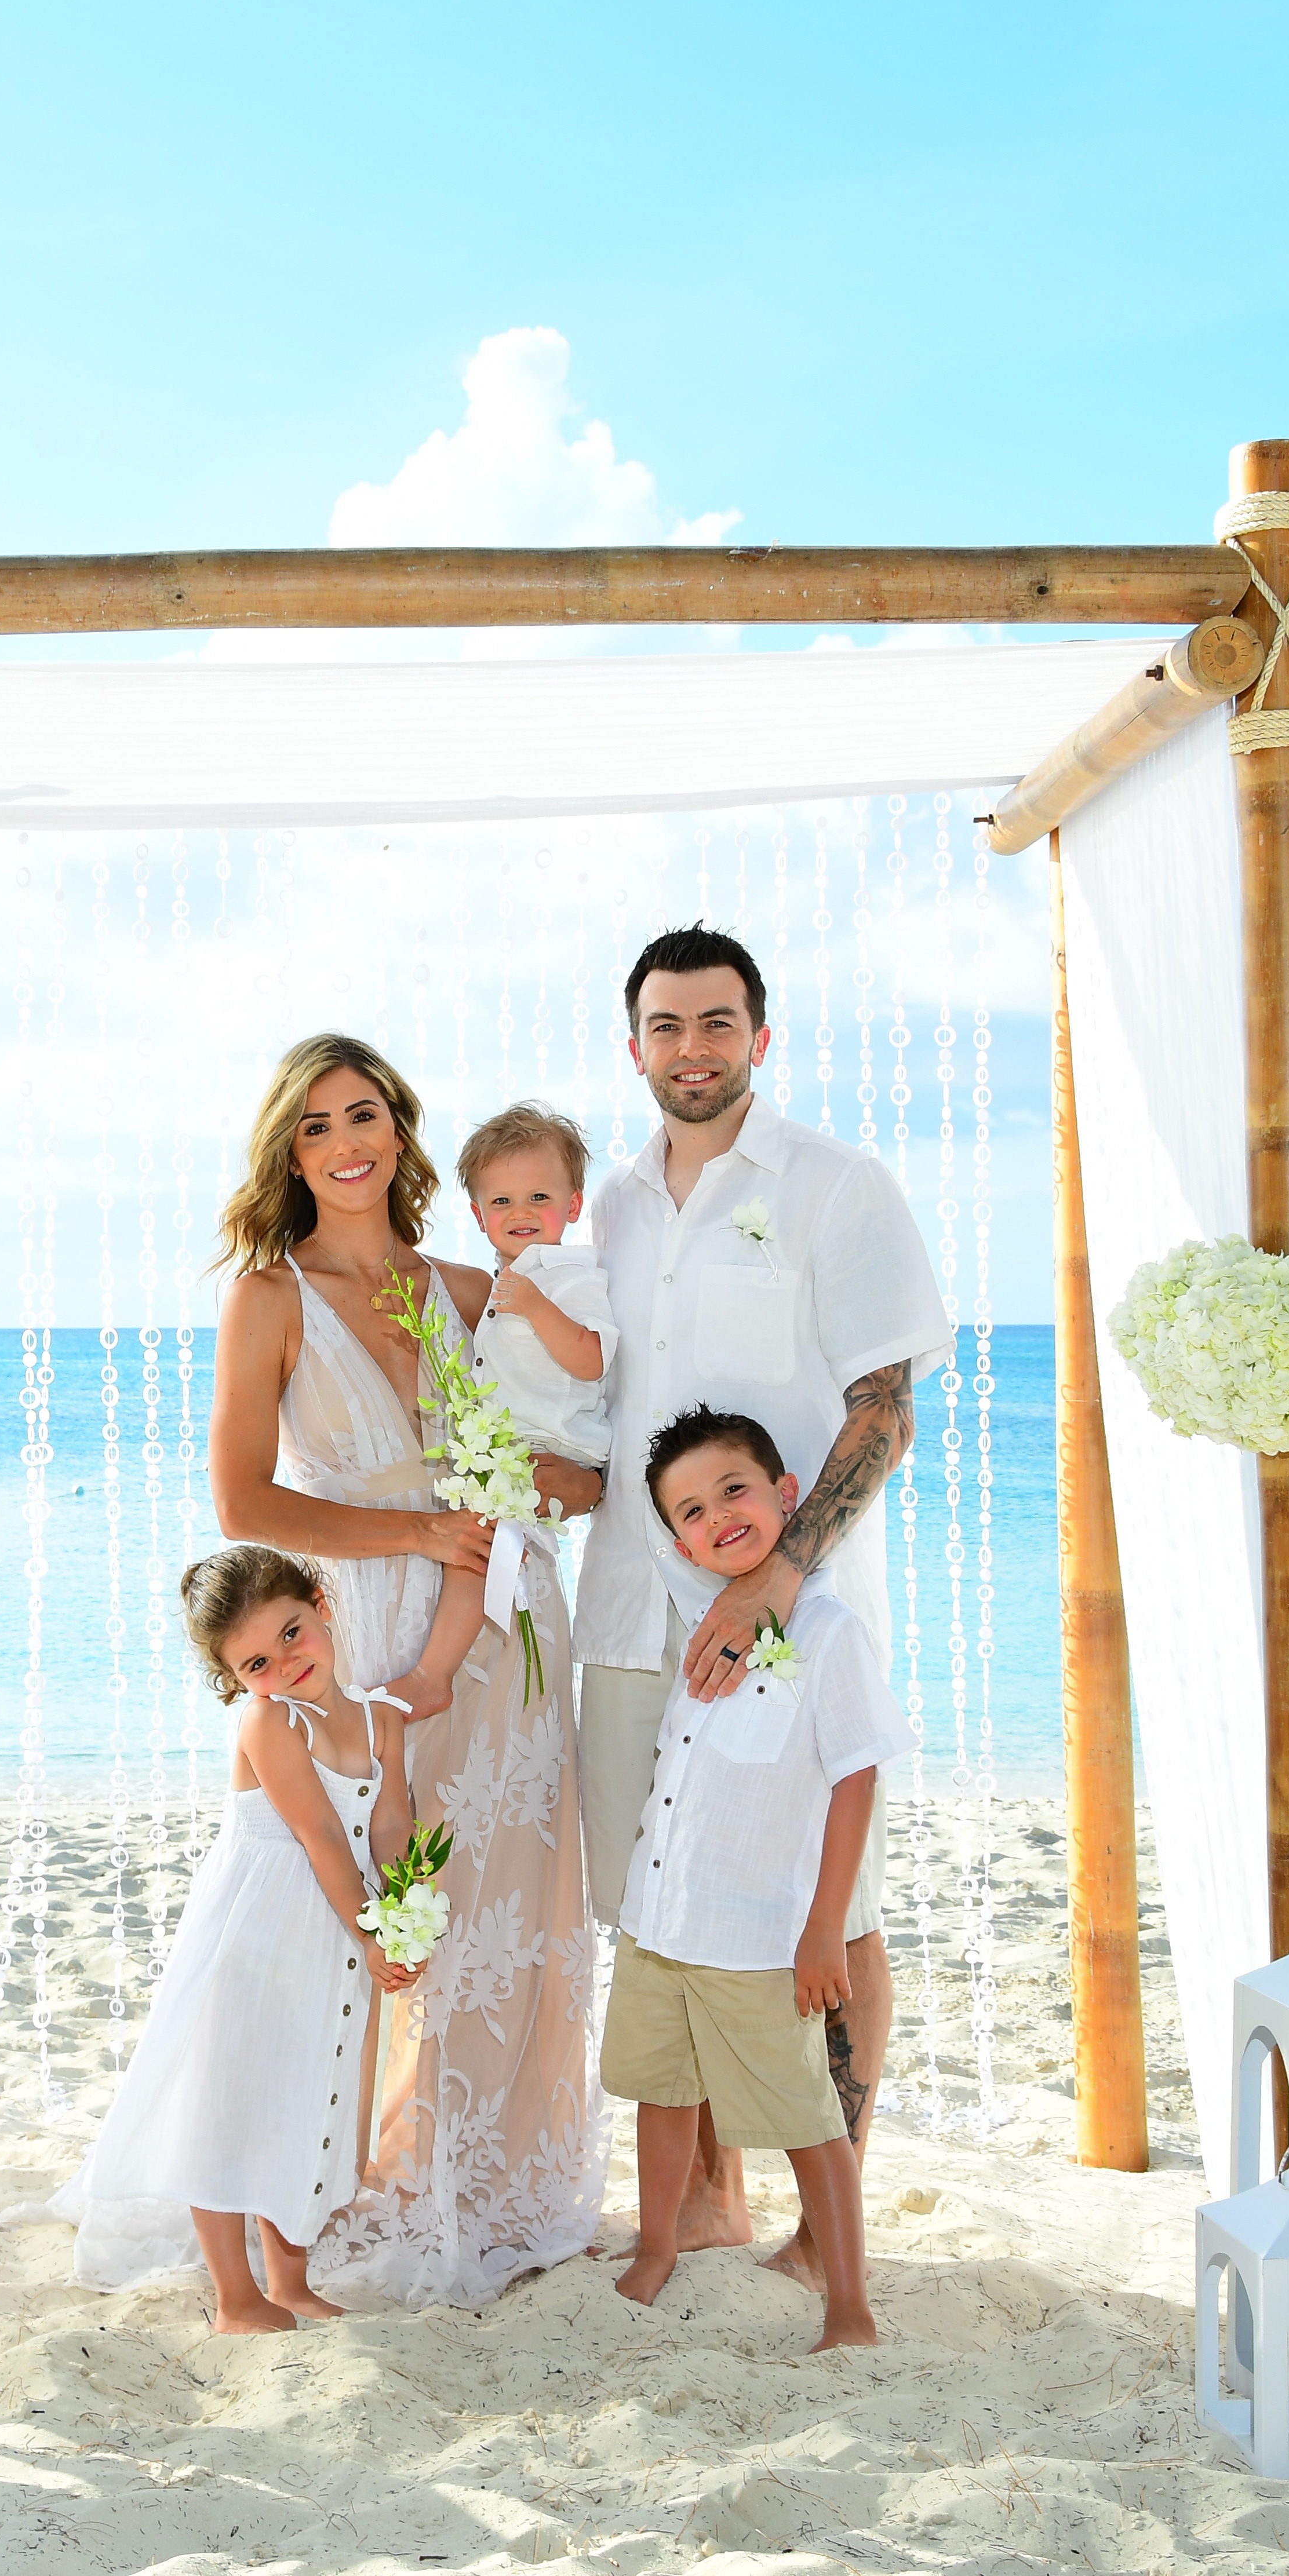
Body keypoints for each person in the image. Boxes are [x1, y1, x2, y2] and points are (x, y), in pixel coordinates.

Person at [206, 1033, 611, 2306]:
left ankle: (494, 2181)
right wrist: (417, 1529)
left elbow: (590, 1464)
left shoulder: (472, 1289)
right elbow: (239, 1498)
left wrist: (513, 1489)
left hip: (506, 1617)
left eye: (363, 1114)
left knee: (510, 1907)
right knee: (381, 1916)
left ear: (400, 1128)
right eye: (316, 1126)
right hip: (368, 1622)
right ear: (288, 1150)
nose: (345, 1145)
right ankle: (338, 2189)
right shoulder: (268, 1296)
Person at [574, 921, 950, 2270]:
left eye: (717, 1021)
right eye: (667, 1026)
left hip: (788, 1612)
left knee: (825, 1906)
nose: (693, 1048)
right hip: (629, 1610)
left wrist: (778, 1582)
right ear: (635, 1048)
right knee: (662, 1898)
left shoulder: (837, 1186)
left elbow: (884, 1410)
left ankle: (820, 2215)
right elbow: (588, 1408)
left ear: (760, 1035)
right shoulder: (605, 1206)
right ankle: (709, 2196)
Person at [37, 1547, 424, 2325]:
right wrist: (372, 1931)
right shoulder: (270, 1722)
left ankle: (289, 2280)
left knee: (303, 2093)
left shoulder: (382, 1717)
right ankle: (235, 2295)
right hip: (257, 1930)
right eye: (257, 1661)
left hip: (331, 1928)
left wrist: (407, 1914)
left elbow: (389, 1821)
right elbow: (318, 1836)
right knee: (227, 2103)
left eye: (291, 1633)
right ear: (235, 1680)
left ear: (320, 1604)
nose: (285, 1662)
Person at [602, 1408, 913, 2352]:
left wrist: (826, 1929)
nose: (716, 1516)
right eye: (689, 1510)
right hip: (660, 1924)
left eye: (733, 1489)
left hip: (754, 1937)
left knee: (808, 2118)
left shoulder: (827, 1632)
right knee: (664, 2090)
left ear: (785, 1494)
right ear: (678, 1538)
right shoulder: (701, 1625)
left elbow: (856, 1776)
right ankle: (657, 2245)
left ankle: (846, 2300)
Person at [458, 1103, 616, 1472]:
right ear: (479, 1216)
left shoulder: (574, 1275)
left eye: (539, 1197)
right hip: (509, 1447)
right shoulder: (498, 1281)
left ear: (573, 1205)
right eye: (502, 1201)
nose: (520, 1212)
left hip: (554, 1444)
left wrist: (537, 1308)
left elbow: (593, 1361)